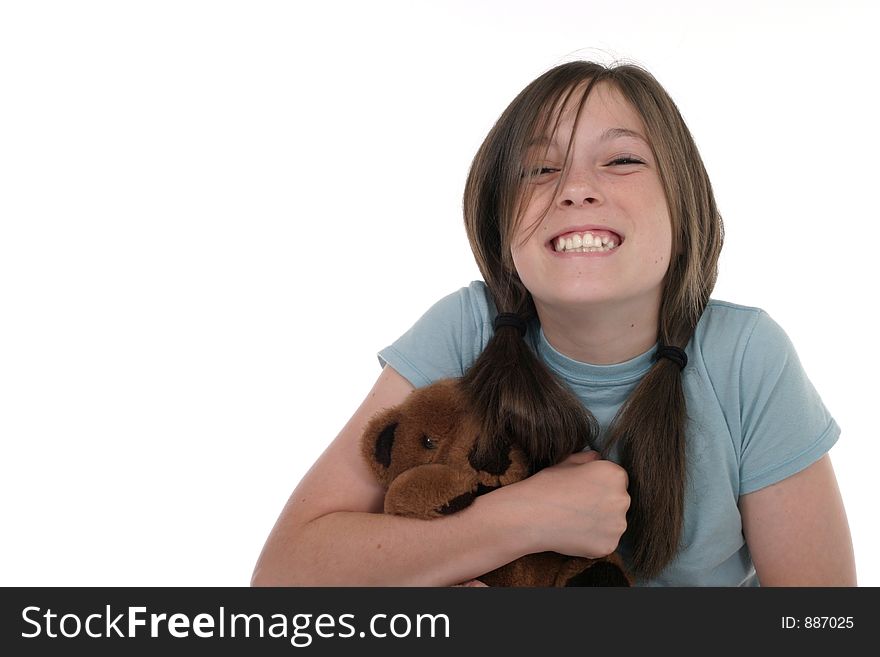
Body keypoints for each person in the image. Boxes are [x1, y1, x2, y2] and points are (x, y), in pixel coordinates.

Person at [251, 60, 856, 586]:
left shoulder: (746, 355)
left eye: (621, 159)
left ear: (683, 202)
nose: (577, 189)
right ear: (500, 223)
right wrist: (522, 518)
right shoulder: (466, 327)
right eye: (539, 170)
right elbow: (283, 578)